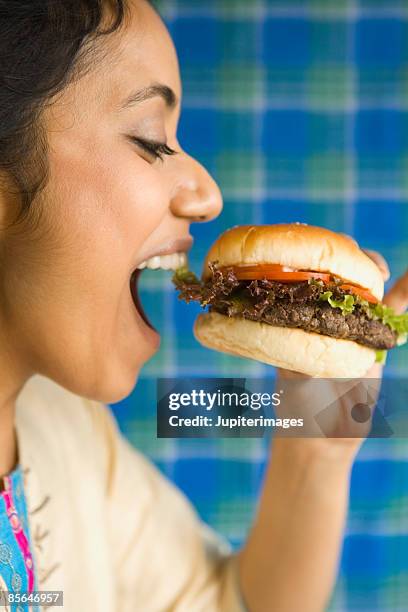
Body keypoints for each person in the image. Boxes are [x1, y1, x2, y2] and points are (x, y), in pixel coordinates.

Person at [0, 0, 407, 610]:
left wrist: (318, 443)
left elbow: (232, 601)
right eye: (151, 139)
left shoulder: (68, 433)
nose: (208, 196)